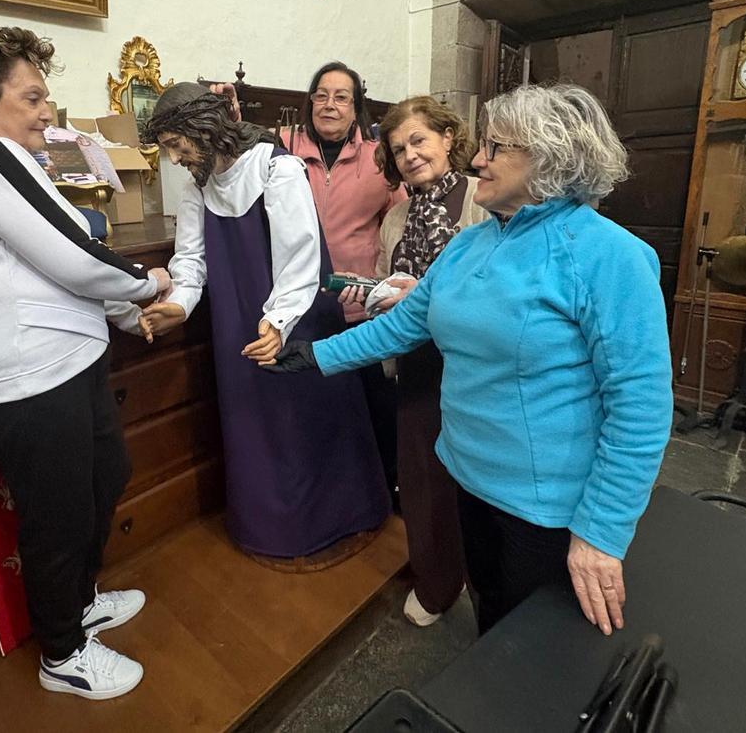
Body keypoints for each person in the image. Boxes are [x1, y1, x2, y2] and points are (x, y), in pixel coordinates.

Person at [265, 83, 673, 636]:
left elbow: (640, 408)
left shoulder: (611, 257)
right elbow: (406, 326)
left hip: (545, 509)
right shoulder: (469, 246)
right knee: (490, 620)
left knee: (533, 652)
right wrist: (314, 355)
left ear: (549, 156)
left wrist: (602, 532)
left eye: (496, 148)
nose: (478, 159)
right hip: (468, 477)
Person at [0, 17, 170, 700]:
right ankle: (63, 653)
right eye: (31, 97)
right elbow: (72, 257)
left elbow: (55, 256)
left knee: (104, 477)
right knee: (55, 517)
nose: (46, 110)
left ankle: (79, 601)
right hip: (22, 376)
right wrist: (148, 286)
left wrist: (121, 312)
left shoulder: (10, 160)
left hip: (65, 362)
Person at [138, 82, 389, 562]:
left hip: (298, 316)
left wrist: (277, 320)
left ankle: (335, 517)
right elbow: (191, 259)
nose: (174, 159)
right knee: (254, 421)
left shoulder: (277, 167)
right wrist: (181, 302)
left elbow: (300, 256)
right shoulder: (199, 186)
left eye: (176, 145)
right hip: (237, 318)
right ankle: (272, 528)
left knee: (306, 417)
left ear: (202, 128)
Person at [339, 96, 488, 628]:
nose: (409, 155)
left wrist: (421, 295)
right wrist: (374, 294)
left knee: (479, 477)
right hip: (419, 365)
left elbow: (494, 288)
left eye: (419, 140)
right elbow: (386, 277)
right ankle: (437, 581)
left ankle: (485, 575)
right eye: (398, 149)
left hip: (475, 362)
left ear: (449, 138)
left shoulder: (483, 199)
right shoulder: (396, 214)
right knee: (424, 479)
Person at [284, 61, 405, 501]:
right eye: (321, 94)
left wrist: (386, 286)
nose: (329, 105)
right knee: (315, 407)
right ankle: (328, 492)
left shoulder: (379, 158)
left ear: (356, 108)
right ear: (309, 100)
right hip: (301, 305)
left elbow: (400, 225)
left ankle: (387, 487)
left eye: (341, 97)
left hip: (362, 308)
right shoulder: (284, 148)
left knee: (376, 404)